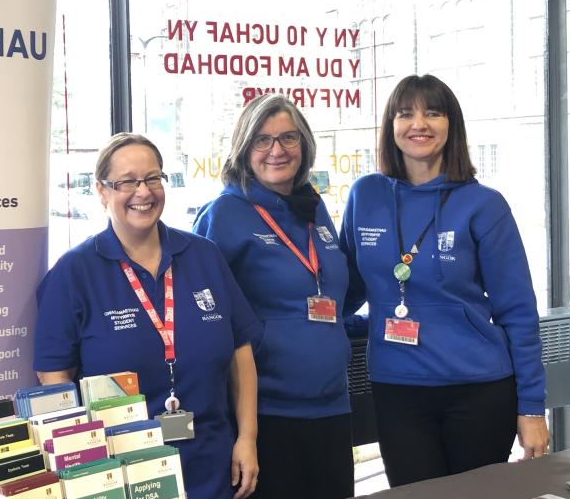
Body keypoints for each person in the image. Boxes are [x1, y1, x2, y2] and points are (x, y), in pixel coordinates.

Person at [339, 74, 549, 487]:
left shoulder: (484, 205)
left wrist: (532, 409)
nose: (419, 124)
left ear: (452, 125)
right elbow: (349, 287)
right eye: (406, 114)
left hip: (478, 389)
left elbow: (519, 312)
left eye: (433, 113)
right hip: (397, 388)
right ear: (391, 126)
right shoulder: (366, 195)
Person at [34, 133, 261, 499]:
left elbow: (241, 353)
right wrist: (82, 469)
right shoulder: (74, 273)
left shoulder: (204, 256)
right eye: (127, 181)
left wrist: (247, 439)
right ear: (102, 191)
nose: (143, 192)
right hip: (121, 478)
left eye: (153, 178)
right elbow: (55, 377)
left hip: (213, 467)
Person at [193, 94, 355, 499]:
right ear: (244, 150)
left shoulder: (312, 207)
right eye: (262, 140)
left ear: (305, 144)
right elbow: (205, 320)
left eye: (288, 138)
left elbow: (333, 291)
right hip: (265, 413)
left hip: (332, 406)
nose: (277, 150)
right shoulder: (223, 215)